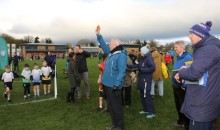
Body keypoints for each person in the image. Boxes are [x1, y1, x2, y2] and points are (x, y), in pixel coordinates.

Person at [175, 21, 220, 130]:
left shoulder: (208, 49)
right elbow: (202, 69)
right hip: (205, 100)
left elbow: (194, 74)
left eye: (191, 33)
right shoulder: (208, 48)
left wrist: (181, 72)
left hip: (201, 104)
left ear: (199, 35)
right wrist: (189, 69)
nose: (189, 36)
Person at [96, 27, 127, 130]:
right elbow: (104, 46)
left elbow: (122, 71)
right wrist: (98, 35)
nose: (109, 45)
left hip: (114, 86)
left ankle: (120, 126)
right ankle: (114, 124)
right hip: (107, 85)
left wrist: (117, 84)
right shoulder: (111, 53)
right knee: (111, 106)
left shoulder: (121, 55)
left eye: (110, 43)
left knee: (116, 107)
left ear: (115, 45)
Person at [128, 46, 156, 119]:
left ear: (144, 51)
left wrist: (142, 69)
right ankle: (145, 109)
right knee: (142, 95)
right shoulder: (143, 58)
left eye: (141, 51)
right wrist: (129, 66)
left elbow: (152, 68)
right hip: (142, 79)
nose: (140, 52)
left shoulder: (149, 58)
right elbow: (138, 65)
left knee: (147, 96)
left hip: (146, 80)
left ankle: (151, 112)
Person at [171, 41, 192, 129]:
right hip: (175, 85)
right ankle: (181, 121)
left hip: (182, 87)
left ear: (181, 47)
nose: (174, 49)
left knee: (184, 106)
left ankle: (187, 125)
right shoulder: (178, 57)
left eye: (176, 47)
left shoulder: (188, 57)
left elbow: (190, 72)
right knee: (178, 105)